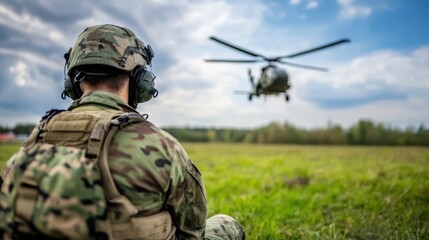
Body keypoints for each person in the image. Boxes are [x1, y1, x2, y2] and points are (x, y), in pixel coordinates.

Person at [0, 24, 244, 240]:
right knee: (227, 224)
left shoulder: (32, 142)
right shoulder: (164, 146)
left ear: (73, 83)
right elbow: (193, 231)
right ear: (141, 81)